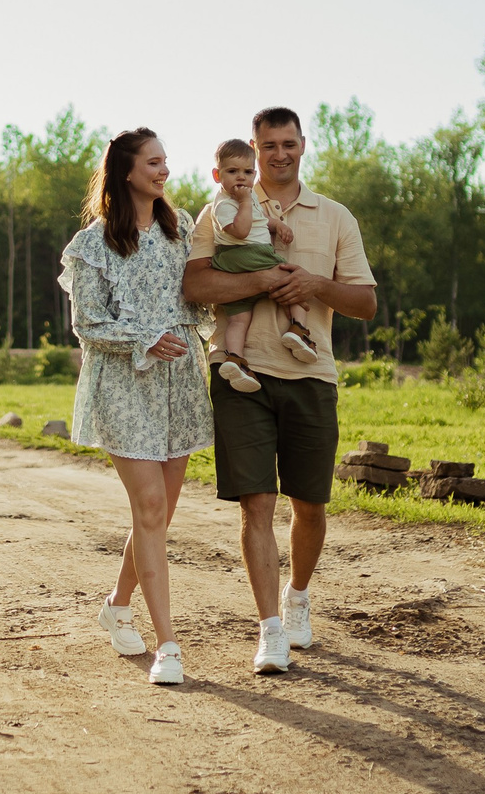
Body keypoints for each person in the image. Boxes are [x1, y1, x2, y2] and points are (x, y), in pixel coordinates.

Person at [182, 106, 376, 676]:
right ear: (254, 148)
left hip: (311, 376)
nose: (279, 154)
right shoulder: (220, 208)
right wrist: (262, 279)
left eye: (288, 144)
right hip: (240, 373)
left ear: (303, 145)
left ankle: (297, 597)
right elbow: (194, 284)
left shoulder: (335, 217)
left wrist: (313, 284)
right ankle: (270, 630)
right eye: (269, 145)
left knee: (309, 505)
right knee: (257, 503)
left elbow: (365, 303)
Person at [61, 127, 210, 688]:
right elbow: (88, 325)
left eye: (165, 161)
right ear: (126, 172)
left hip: (179, 383)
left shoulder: (182, 229)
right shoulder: (92, 245)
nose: (164, 170)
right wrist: (146, 338)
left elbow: (204, 290)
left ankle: (117, 605)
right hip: (124, 385)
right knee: (149, 507)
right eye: (153, 162)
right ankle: (168, 644)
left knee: (159, 516)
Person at [204, 138, 321, 394]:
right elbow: (241, 230)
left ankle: (235, 359)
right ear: (217, 175)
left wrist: (277, 225)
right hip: (246, 254)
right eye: (232, 171)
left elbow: (259, 219)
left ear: (254, 173)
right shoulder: (224, 203)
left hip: (234, 263)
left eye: (247, 172)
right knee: (294, 280)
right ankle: (299, 330)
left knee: (239, 319)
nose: (241, 178)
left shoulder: (247, 198)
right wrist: (245, 202)